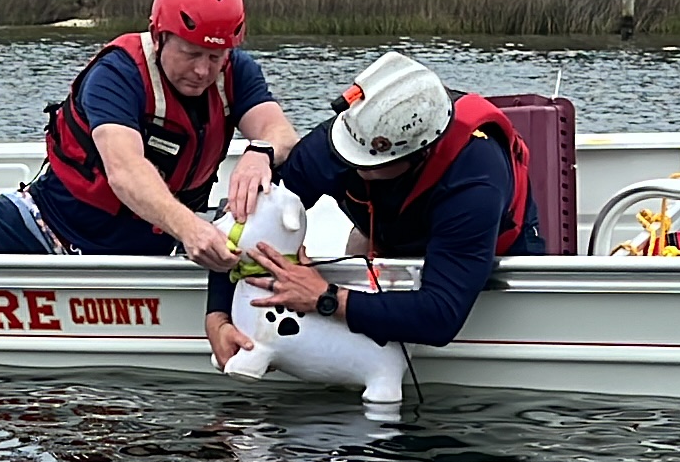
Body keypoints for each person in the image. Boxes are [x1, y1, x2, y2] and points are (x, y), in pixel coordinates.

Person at [0, 0, 296, 264]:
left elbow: (280, 132)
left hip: (157, 245)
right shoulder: (118, 73)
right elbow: (124, 170)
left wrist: (259, 151)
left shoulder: (235, 72)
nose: (203, 71)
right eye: (190, 53)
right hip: (52, 227)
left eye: (215, 56)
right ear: (159, 37)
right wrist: (190, 228)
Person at [209, 52, 538, 368]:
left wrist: (325, 298)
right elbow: (249, 220)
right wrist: (219, 315)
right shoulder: (339, 143)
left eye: (367, 164)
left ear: (419, 156)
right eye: (347, 155)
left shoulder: (474, 180)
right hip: (385, 232)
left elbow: (441, 316)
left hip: (483, 252)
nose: (350, 166)